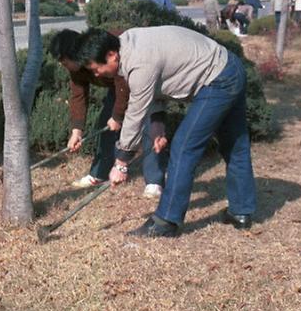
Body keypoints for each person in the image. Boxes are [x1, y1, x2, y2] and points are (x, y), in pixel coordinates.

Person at [77, 27, 256, 238]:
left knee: (183, 146)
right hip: (230, 67)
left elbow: (135, 114)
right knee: (235, 144)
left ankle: (167, 221)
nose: (96, 75)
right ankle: (241, 211)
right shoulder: (128, 45)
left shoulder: (139, 62)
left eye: (97, 69)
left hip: (218, 80)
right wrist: (158, 128)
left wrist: (121, 162)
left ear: (111, 55)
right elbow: (155, 89)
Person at [49, 30, 168, 197]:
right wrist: (77, 131)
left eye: (63, 61)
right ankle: (100, 173)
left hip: (136, 80)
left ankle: (154, 181)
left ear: (74, 54)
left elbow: (122, 83)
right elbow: (78, 96)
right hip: (117, 88)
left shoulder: (102, 52)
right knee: (106, 126)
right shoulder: (77, 69)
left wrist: (118, 116)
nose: (63, 65)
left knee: (150, 126)